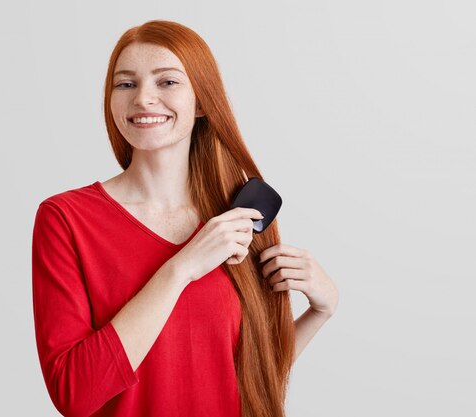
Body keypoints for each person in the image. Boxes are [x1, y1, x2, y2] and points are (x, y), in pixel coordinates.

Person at [31, 20, 339, 417]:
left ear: (203, 100)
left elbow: (248, 377)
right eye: (125, 84)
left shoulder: (240, 217)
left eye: (167, 82)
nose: (143, 98)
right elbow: (75, 394)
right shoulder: (66, 219)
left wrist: (321, 311)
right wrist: (181, 269)